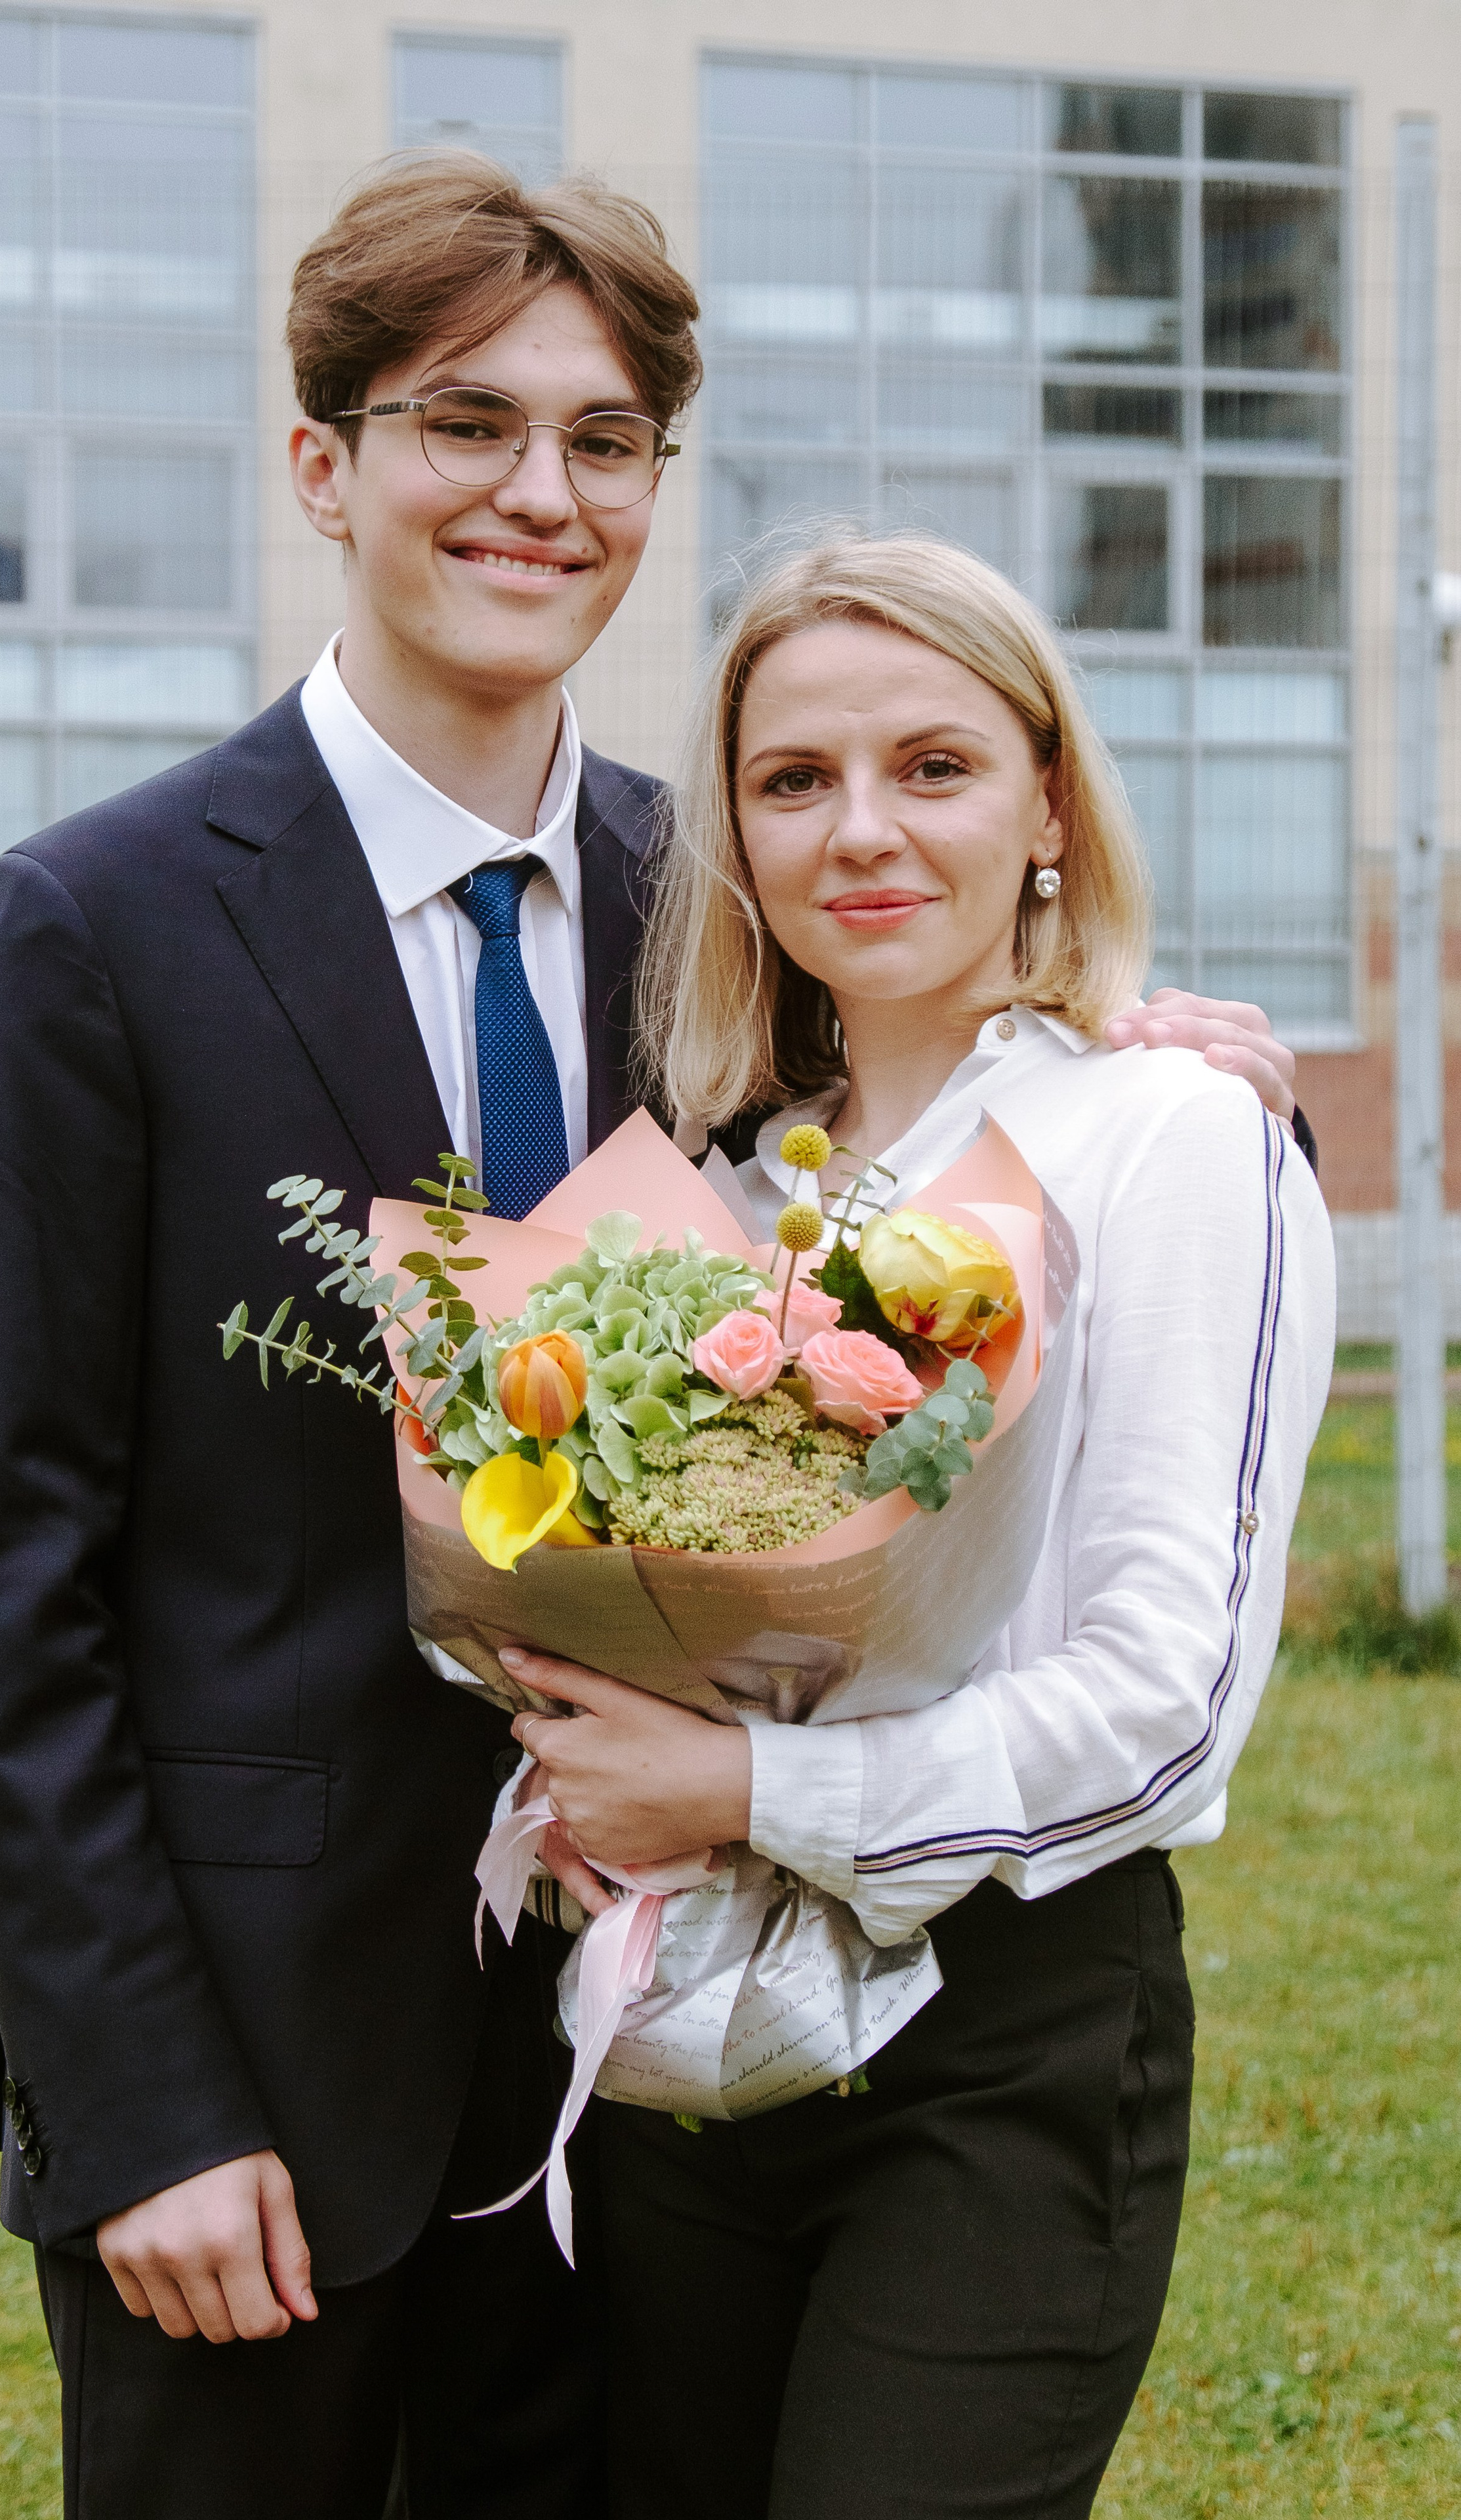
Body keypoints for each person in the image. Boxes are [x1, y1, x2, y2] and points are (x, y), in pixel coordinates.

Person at [0, 148, 1309, 2520]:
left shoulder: (732, 896)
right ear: (325, 463)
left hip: (653, 2070)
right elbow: (3, 1587)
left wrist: (1127, 1039)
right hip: (256, 2084)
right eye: (467, 424)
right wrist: (138, 2106)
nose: (537, 495)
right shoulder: (92, 922)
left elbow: (921, 1144)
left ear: (657, 483)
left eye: (605, 441)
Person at [499, 534, 1335, 2520]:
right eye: (793, 783)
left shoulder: (1174, 1137)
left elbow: (1167, 1698)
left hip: (1014, 2027)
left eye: (934, 767)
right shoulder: (723, 1181)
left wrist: (739, 1785)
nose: (860, 831)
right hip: (691, 2026)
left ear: (1051, 798)